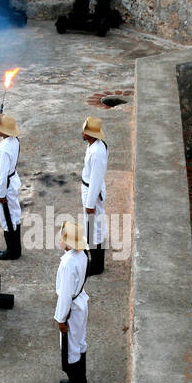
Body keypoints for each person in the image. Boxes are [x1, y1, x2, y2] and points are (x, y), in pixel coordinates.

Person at [53, 220, 90, 383]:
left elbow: (65, 294)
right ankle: (79, 380)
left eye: (62, 237)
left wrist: (60, 318)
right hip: (80, 303)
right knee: (80, 341)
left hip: (72, 309)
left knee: (71, 347)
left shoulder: (68, 263)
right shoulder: (82, 255)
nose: (60, 239)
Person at [80, 115, 108, 275]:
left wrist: (90, 204)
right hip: (89, 190)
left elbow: (96, 180)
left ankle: (97, 266)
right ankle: (96, 262)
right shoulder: (94, 145)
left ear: (91, 134)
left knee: (94, 229)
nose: (82, 132)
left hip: (92, 192)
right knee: (92, 228)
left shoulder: (97, 152)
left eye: (85, 131)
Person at [0, 114, 22, 260]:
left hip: (6, 184)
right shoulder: (14, 141)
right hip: (13, 180)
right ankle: (16, 249)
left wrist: (1, 194)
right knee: (14, 215)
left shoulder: (3, 151)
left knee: (7, 218)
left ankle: (12, 251)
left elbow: (2, 175)